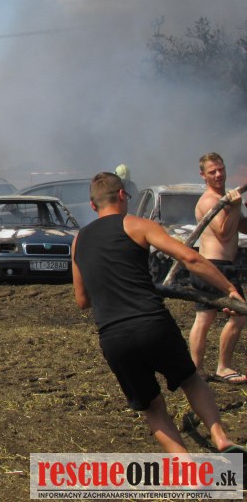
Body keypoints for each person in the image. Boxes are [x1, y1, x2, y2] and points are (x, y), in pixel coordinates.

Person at [72, 171, 246, 453]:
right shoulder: (137, 225)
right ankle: (221, 439)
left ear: (93, 205)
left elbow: (81, 300)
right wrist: (228, 289)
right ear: (122, 195)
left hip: (114, 337)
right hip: (153, 324)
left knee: (152, 407)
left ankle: (185, 467)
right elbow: (189, 257)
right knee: (191, 380)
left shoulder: (78, 241)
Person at [188, 152, 247, 385]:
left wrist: (238, 208)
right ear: (203, 175)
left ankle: (201, 370)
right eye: (212, 171)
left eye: (221, 169)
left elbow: (241, 226)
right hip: (213, 266)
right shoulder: (209, 201)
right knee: (233, 316)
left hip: (223, 266)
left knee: (211, 317)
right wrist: (235, 206)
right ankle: (218, 368)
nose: (218, 174)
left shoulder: (227, 198)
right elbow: (223, 233)